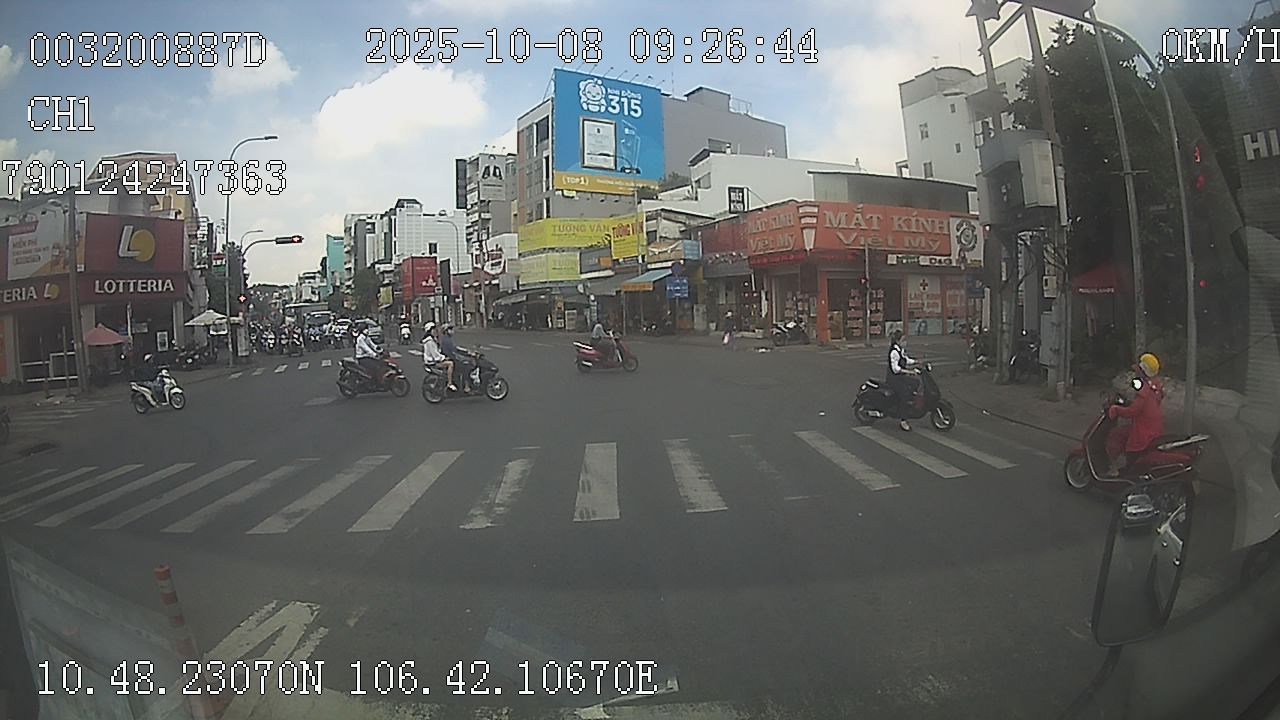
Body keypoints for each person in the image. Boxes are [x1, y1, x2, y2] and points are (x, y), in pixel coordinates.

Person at [1104, 353, 1167, 477]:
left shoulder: (1144, 391)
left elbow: (1132, 412)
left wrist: (1116, 409)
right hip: (1155, 428)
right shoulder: (1156, 387)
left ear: (1143, 372)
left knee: (1116, 435)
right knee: (1123, 433)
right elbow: (1148, 405)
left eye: (1138, 370)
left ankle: (1114, 468)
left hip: (1143, 432)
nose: (1136, 373)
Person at [886, 329, 919, 431]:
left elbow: (905, 360)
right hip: (894, 379)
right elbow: (895, 369)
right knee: (905, 394)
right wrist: (910, 372)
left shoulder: (900, 350)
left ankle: (908, 405)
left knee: (915, 383)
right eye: (903, 340)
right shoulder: (894, 352)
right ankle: (903, 420)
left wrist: (916, 362)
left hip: (900, 377)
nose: (905, 342)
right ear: (898, 341)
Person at [421, 322, 456, 391]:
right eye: (433, 330)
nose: (435, 331)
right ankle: (450, 383)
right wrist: (444, 358)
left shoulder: (431, 339)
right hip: (432, 362)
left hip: (432, 360)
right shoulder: (430, 341)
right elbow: (435, 355)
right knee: (450, 364)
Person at [440, 324, 474, 393]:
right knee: (467, 367)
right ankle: (466, 387)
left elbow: (456, 348)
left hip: (450, 357)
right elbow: (454, 351)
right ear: (446, 331)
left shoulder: (447, 338)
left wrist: (466, 351)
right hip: (450, 358)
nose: (452, 331)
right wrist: (465, 355)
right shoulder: (446, 340)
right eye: (450, 329)